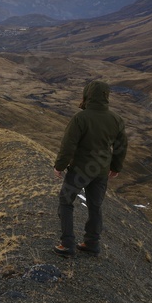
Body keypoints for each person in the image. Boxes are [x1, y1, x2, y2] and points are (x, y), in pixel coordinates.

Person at [52, 80, 127, 257]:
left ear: (87, 95)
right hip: (101, 171)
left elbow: (68, 145)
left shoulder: (81, 118)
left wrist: (59, 166)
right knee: (95, 206)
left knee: (65, 202)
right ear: (106, 96)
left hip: (80, 170)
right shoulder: (116, 119)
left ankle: (67, 244)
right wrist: (116, 167)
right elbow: (121, 146)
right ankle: (92, 243)